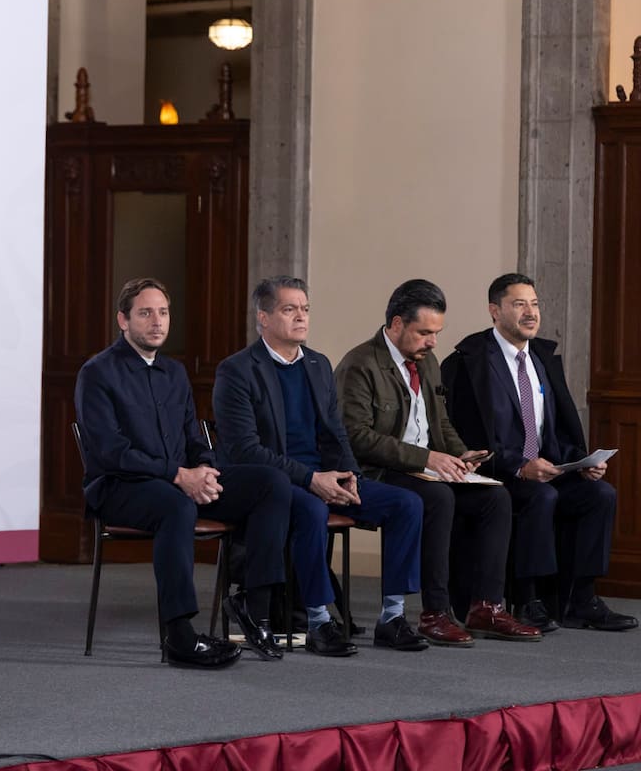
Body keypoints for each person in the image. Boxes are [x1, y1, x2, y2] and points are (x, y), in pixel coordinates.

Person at [75, 278, 293, 668]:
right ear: (123, 321)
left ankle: (253, 608)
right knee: (176, 506)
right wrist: (179, 476)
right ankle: (179, 637)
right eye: (145, 313)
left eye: (163, 312)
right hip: (121, 486)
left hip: (180, 481)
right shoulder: (97, 374)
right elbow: (112, 451)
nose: (157, 322)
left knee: (270, 483)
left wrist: (205, 469)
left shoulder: (174, 372)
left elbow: (194, 437)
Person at [213, 276, 426, 657]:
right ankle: (318, 622)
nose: (301, 317)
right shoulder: (238, 370)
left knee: (407, 504)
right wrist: (312, 479)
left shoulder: (318, 364)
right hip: (276, 483)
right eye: (289, 309)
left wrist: (350, 476)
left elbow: (336, 434)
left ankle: (392, 618)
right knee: (311, 509)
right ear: (263, 317)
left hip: (325, 476)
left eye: (305, 309)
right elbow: (245, 451)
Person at [334, 279, 540, 646]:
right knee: (438, 498)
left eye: (436, 333)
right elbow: (357, 438)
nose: (432, 342)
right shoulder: (360, 364)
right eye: (424, 332)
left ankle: (486, 607)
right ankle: (435, 612)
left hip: (423, 470)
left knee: (496, 498)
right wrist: (428, 458)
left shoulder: (427, 364)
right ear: (397, 324)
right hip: (379, 474)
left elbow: (439, 422)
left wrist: (461, 454)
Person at [441, 273, 637, 632]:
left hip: (548, 469)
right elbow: (466, 437)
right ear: (494, 311)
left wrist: (580, 461)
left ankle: (581, 598)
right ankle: (530, 599)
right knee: (541, 496)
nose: (530, 312)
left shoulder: (544, 358)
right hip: (499, 473)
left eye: (534, 304)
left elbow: (553, 429)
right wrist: (520, 467)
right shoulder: (470, 363)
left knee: (599, 494)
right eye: (519, 304)